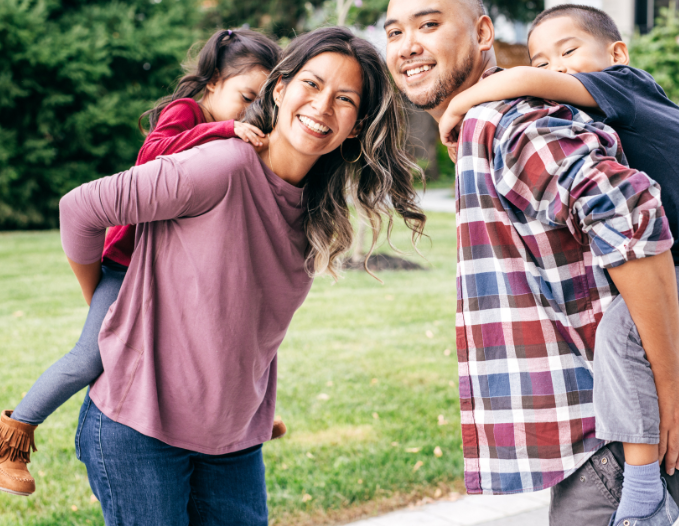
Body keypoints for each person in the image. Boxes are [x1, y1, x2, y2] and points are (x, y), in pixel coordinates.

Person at [385, 0, 679, 526]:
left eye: (428, 25)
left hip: (635, 444)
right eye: (395, 32)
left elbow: (629, 211)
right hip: (617, 443)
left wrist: (670, 379)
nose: (408, 45)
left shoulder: (508, 121)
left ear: (482, 33)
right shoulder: (490, 124)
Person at [63, 27, 423, 525]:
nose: (322, 106)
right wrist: (105, 310)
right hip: (138, 426)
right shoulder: (220, 166)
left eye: (344, 99)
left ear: (357, 126)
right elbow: (79, 208)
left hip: (231, 441)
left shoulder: (319, 213)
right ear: (280, 89)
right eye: (312, 85)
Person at [0, 29, 283, 497]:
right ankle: (9, 439)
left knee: (225, 329)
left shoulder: (237, 133)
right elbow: (152, 154)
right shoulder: (186, 113)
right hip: (129, 265)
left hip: (174, 267)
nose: (250, 113)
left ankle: (245, 414)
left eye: (261, 105)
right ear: (213, 84)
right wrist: (223, 129)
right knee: (89, 357)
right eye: (245, 97)